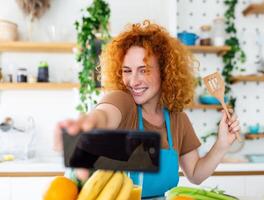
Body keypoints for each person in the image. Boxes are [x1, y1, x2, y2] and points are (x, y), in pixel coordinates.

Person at [54, 20, 240, 198]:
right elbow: (103, 115)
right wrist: (89, 124)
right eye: (127, 70)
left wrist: (222, 143)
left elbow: (195, 174)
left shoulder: (177, 119)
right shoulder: (123, 102)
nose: (133, 81)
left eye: (143, 70)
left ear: (165, 71)